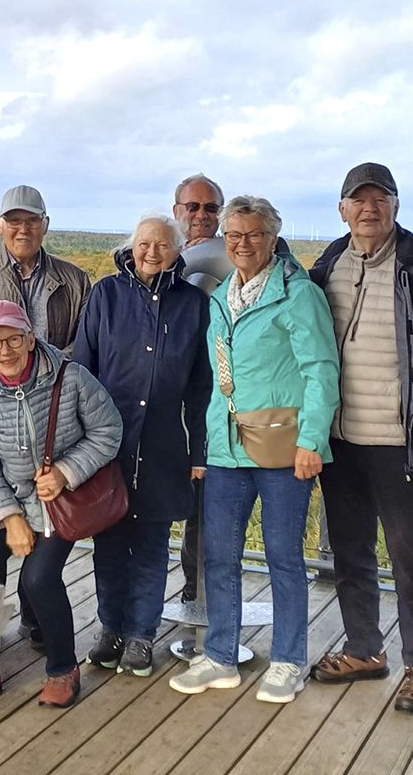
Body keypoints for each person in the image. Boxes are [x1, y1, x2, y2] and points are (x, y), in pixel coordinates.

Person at [169, 196, 339, 703]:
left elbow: (321, 370)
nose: (243, 244)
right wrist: (205, 446)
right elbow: (216, 381)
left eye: (254, 234)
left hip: (284, 447)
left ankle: (288, 660)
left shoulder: (298, 295)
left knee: (284, 558)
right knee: (219, 557)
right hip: (227, 448)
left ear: (272, 238)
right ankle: (221, 656)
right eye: (234, 235)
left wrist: (312, 441)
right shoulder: (222, 299)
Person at [0, 185, 91, 649]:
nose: (22, 228)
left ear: (45, 225)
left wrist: (45, 379)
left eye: (31, 220)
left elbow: (85, 343)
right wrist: (0, 378)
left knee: (45, 533)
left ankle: (38, 620)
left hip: (53, 429)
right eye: (13, 220)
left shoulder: (72, 278)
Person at [0, 300, 121, 708]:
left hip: (59, 500)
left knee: (38, 579)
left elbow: (108, 430)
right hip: (3, 496)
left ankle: (63, 667)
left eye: (14, 339)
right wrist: (9, 517)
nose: (5, 351)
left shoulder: (72, 378)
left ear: (30, 339)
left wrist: (66, 472)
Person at [73, 214, 211, 677]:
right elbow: (82, 372)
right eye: (144, 244)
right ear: (131, 247)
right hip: (106, 445)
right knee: (109, 544)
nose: (152, 252)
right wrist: (78, 443)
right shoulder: (106, 295)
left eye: (163, 245)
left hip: (164, 446)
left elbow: (202, 385)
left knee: (152, 545)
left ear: (178, 251)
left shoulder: (193, 304)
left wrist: (199, 452)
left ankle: (141, 636)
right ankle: (110, 630)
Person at [309, 162, 413, 714]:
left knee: (408, 555)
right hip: (341, 438)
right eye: (359, 200)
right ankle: (364, 650)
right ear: (342, 209)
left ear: (396, 205)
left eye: (380, 198)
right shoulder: (330, 262)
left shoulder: (411, 262)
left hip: (399, 441)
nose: (369, 208)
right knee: (350, 550)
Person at [172, 174, 227, 605]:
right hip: (169, 399)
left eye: (211, 208)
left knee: (210, 501)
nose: (202, 215)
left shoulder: (239, 254)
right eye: (193, 207)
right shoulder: (157, 256)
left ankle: (202, 591)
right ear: (177, 211)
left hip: (221, 399)